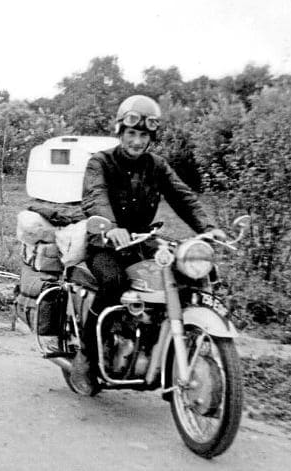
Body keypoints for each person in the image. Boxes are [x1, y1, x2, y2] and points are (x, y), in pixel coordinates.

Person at [73, 94, 226, 394]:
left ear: (150, 137)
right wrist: (112, 228)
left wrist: (208, 229)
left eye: (143, 135)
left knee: (191, 275)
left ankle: (178, 351)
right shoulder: (100, 162)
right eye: (132, 133)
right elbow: (95, 196)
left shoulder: (156, 165)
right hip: (105, 243)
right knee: (114, 283)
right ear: (121, 132)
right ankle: (87, 354)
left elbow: (183, 197)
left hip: (143, 241)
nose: (137, 141)